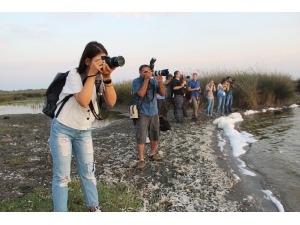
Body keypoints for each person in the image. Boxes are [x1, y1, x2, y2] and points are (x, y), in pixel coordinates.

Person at [49, 41, 117, 212]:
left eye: (105, 60)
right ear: (87, 60)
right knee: (62, 177)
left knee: (88, 172)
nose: (103, 63)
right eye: (99, 60)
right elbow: (83, 101)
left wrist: (107, 78)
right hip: (63, 129)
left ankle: (94, 208)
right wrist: (92, 75)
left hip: (84, 130)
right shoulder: (74, 75)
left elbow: (112, 102)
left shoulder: (100, 78)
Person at [132, 65, 166, 170]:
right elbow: (141, 94)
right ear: (140, 73)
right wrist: (146, 80)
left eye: (149, 71)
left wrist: (160, 82)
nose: (148, 73)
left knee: (155, 133)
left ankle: (152, 153)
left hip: (154, 112)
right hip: (142, 112)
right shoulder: (136, 81)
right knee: (141, 136)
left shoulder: (154, 81)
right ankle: (141, 160)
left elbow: (163, 93)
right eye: (145, 72)